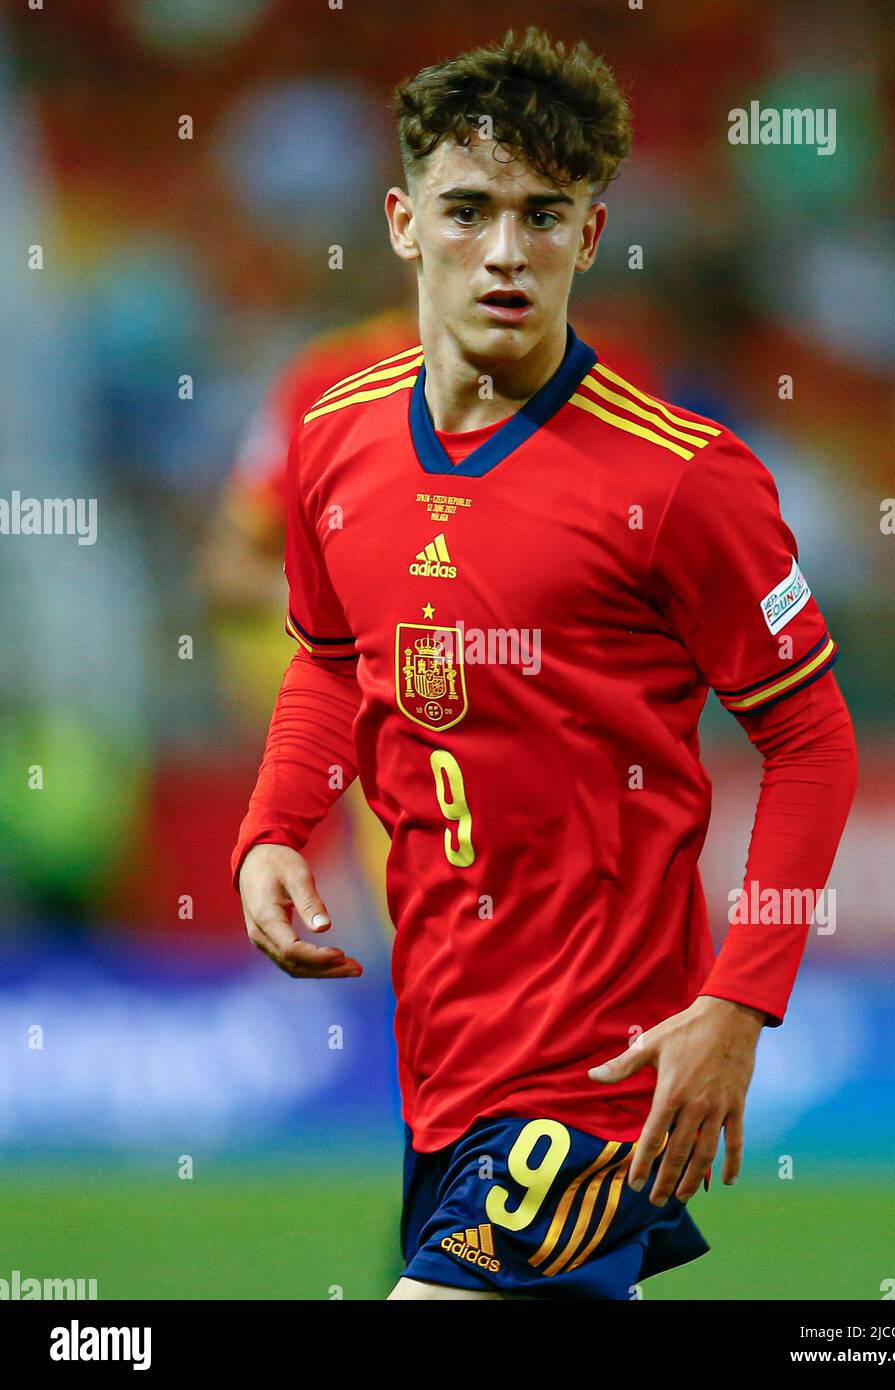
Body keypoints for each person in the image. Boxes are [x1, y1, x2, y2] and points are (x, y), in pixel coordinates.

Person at [231, 26, 857, 1301]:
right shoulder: (334, 445)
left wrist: (741, 1005)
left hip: (599, 1063)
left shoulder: (682, 480)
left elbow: (813, 742)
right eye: (469, 212)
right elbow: (329, 660)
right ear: (405, 223)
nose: (506, 253)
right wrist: (273, 827)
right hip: (446, 1045)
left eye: (543, 214)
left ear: (591, 231)